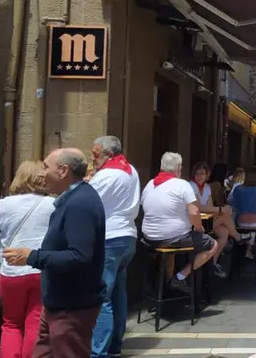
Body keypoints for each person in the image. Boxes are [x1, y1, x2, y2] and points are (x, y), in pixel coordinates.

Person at [3, 148, 105, 358]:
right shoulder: (73, 199)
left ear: (63, 171)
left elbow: (79, 256)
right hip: (57, 304)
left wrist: (31, 256)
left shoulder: (80, 203)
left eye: (46, 167)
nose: (41, 173)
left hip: (71, 307)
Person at [0, 161, 54, 358]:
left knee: (11, 324)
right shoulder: (53, 204)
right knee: (35, 322)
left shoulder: (8, 204)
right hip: (40, 269)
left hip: (12, 271)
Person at [88, 136, 141, 358]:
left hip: (109, 238)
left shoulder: (106, 175)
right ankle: (115, 346)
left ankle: (99, 352)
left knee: (103, 296)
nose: (93, 159)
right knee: (118, 294)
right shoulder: (130, 170)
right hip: (127, 237)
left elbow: (86, 199)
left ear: (109, 154)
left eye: (96, 155)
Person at [141, 152, 222, 293]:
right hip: (172, 238)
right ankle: (179, 277)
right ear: (178, 168)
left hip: (149, 239)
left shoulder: (150, 184)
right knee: (212, 244)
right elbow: (194, 212)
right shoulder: (182, 184)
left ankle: (167, 285)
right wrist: (198, 228)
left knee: (170, 252)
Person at [229, 166, 256, 259]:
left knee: (253, 229)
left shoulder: (238, 189)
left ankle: (248, 250)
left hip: (240, 221)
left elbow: (233, 205)